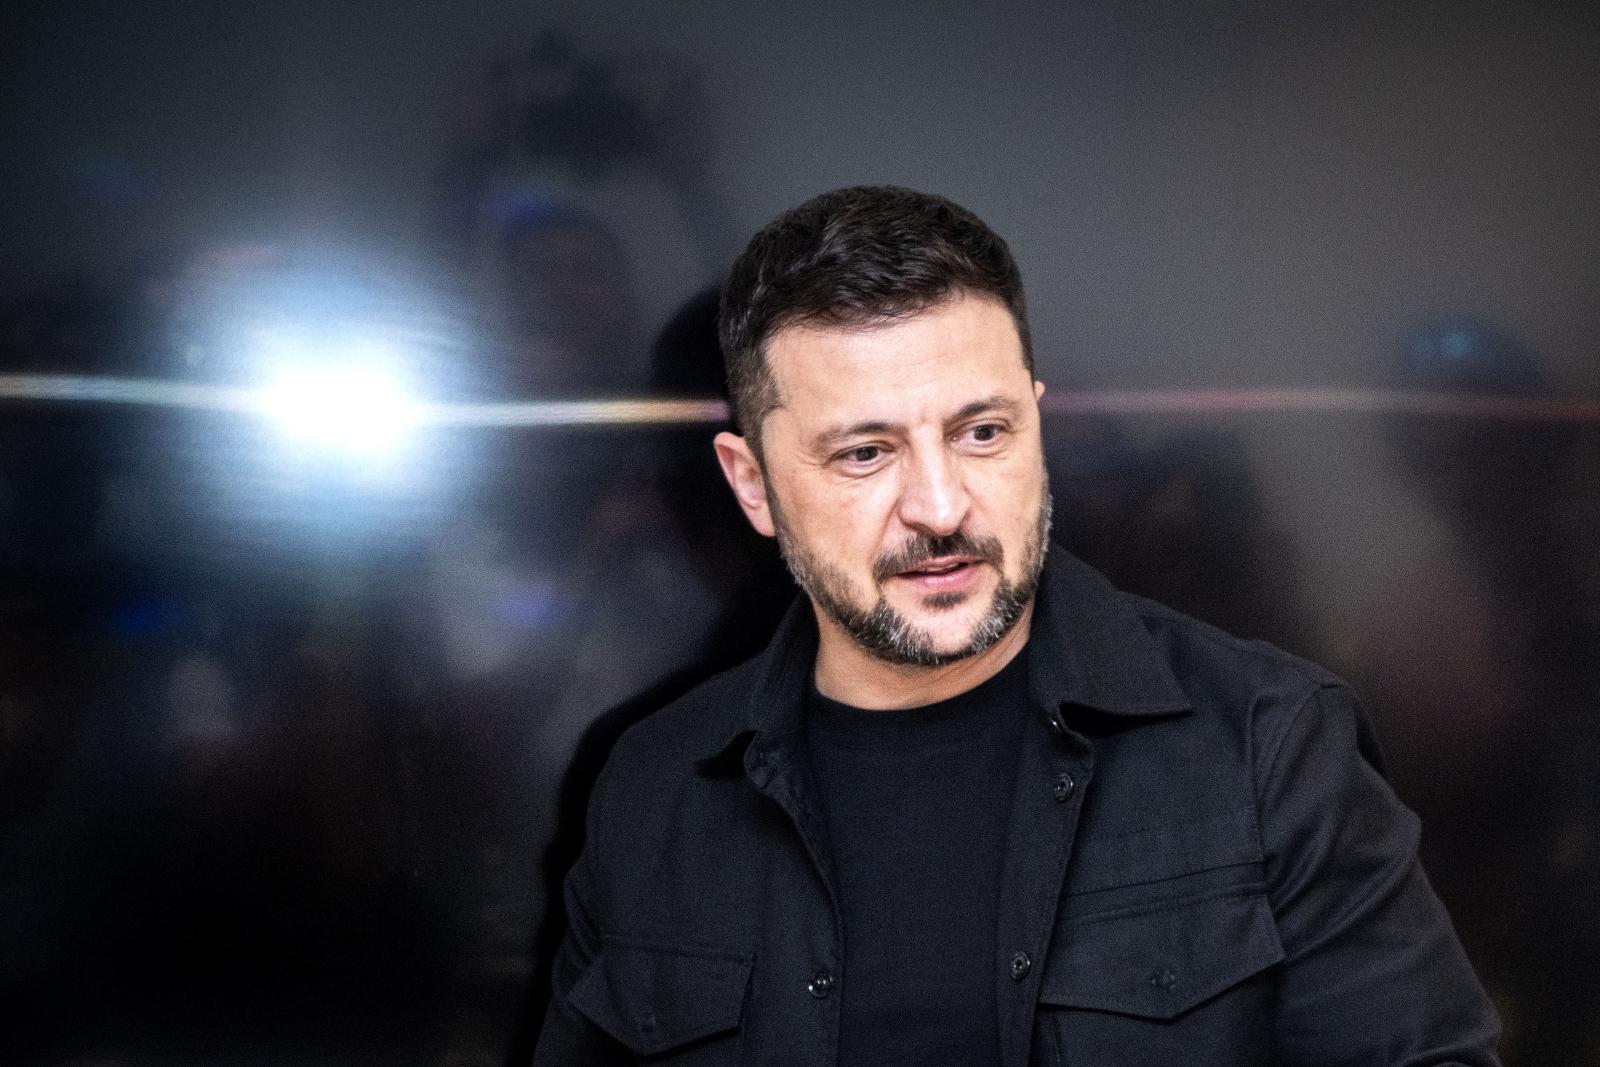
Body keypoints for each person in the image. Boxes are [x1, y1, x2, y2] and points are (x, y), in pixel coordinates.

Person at [532, 186, 1500, 1065]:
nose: (941, 505)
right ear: (752, 484)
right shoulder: (650, 792)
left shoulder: (1270, 745)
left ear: (1037, 425)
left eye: (982, 432)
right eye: (866, 452)